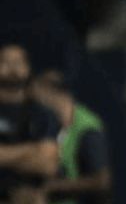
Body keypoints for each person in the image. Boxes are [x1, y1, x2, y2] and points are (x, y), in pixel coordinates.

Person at [29, 70, 111, 204]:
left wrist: (53, 187)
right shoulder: (54, 128)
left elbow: (102, 181)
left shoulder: (87, 129)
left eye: (36, 99)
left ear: (49, 93)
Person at [0, 43, 59, 204]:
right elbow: (39, 156)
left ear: (27, 68)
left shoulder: (42, 114)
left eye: (18, 62)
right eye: (5, 62)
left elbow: (47, 164)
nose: (12, 68)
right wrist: (31, 151)